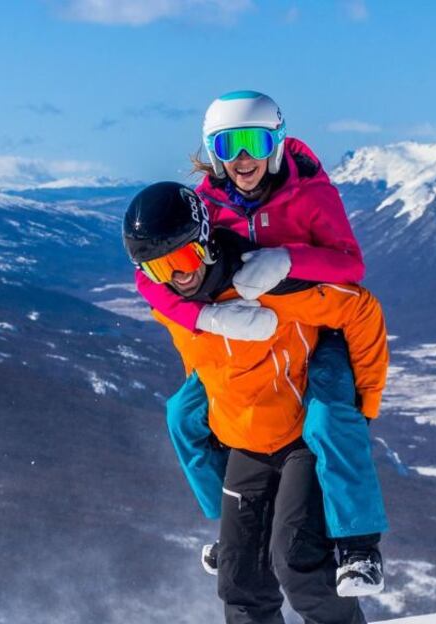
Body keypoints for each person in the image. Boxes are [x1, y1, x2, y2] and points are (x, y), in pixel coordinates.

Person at [134, 91, 388, 595]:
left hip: (317, 327)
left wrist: (290, 260)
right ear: (213, 151)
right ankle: (229, 528)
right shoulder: (204, 204)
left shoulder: (310, 194)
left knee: (330, 416)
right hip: (237, 332)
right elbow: (149, 279)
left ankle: (359, 546)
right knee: (183, 417)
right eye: (229, 146)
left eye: (255, 142)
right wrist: (205, 317)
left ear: (276, 142)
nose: (243, 158)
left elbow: (350, 267)